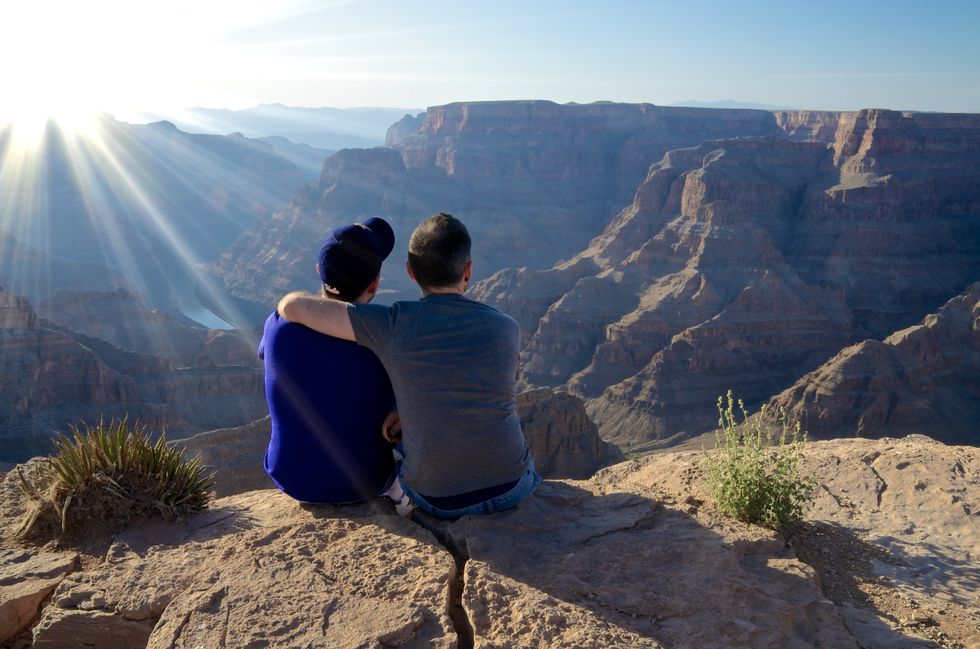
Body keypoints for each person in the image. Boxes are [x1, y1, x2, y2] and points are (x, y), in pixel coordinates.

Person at [278, 212, 540, 519]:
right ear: (468, 271)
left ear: (410, 272)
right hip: (511, 488)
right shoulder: (507, 327)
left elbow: (293, 308)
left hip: (439, 501)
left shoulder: (391, 323)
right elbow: (480, 388)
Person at [259, 217, 399, 504]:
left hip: (291, 477)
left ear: (318, 270)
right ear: (373, 285)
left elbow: (265, 353)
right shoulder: (384, 340)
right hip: (367, 482)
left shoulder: (276, 323)